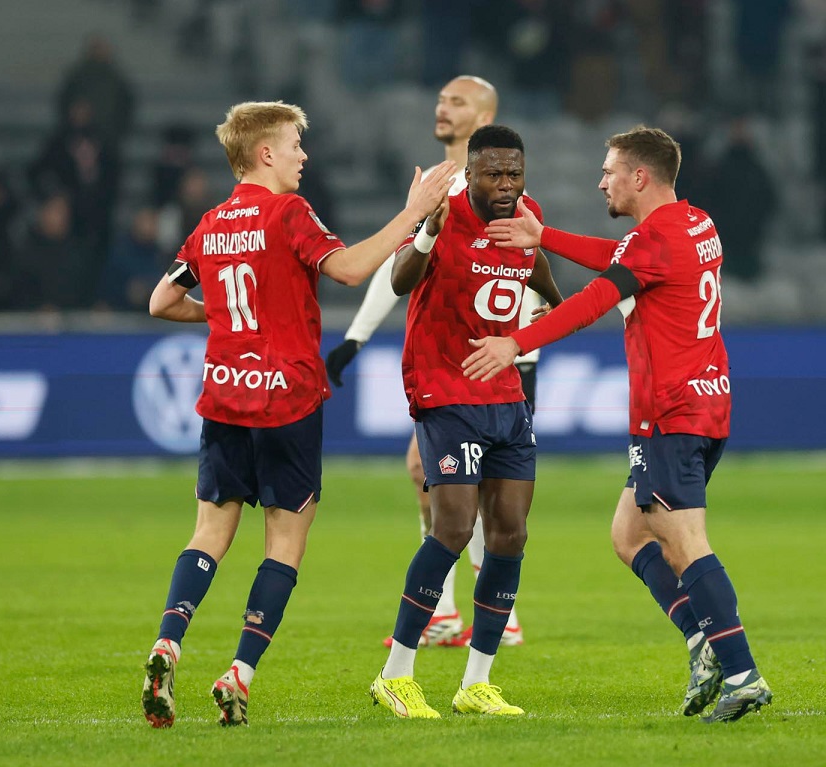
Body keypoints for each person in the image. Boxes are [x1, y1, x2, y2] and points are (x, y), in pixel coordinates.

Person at [141, 101, 456, 728]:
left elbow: (160, 300)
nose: (302, 156)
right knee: (285, 542)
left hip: (226, 397)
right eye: (294, 145)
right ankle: (239, 673)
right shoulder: (289, 213)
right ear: (265, 154)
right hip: (286, 399)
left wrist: (230, 315)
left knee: (208, 533)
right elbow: (347, 270)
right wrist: (413, 215)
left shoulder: (212, 222)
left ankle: (168, 641)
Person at [464, 125, 772, 723]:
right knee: (629, 536)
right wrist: (544, 235)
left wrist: (515, 342)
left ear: (639, 177)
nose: (600, 179)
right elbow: (628, 259)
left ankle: (743, 673)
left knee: (684, 542)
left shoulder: (653, 240)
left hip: (672, 411)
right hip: (705, 401)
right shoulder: (694, 223)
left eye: (609, 171)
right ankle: (701, 640)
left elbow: (594, 300)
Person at [325, 76, 558, 648]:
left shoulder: (489, 184)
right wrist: (355, 337)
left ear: (485, 113)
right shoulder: (439, 183)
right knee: (436, 480)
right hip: (455, 361)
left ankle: (474, 612)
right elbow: (400, 264)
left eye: (456, 101)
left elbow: (530, 260)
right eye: (440, 99)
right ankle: (462, 611)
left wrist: (528, 337)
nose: (441, 108)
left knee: (466, 488)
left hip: (496, 360)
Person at [371, 124, 563, 720]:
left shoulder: (526, 218)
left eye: (515, 174)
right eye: (494, 174)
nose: (506, 185)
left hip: (505, 395)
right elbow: (402, 281)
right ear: (471, 174)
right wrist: (424, 227)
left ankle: (476, 682)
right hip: (444, 387)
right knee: (454, 527)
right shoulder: (445, 215)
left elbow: (546, 285)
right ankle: (396, 674)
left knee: (510, 534)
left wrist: (542, 321)